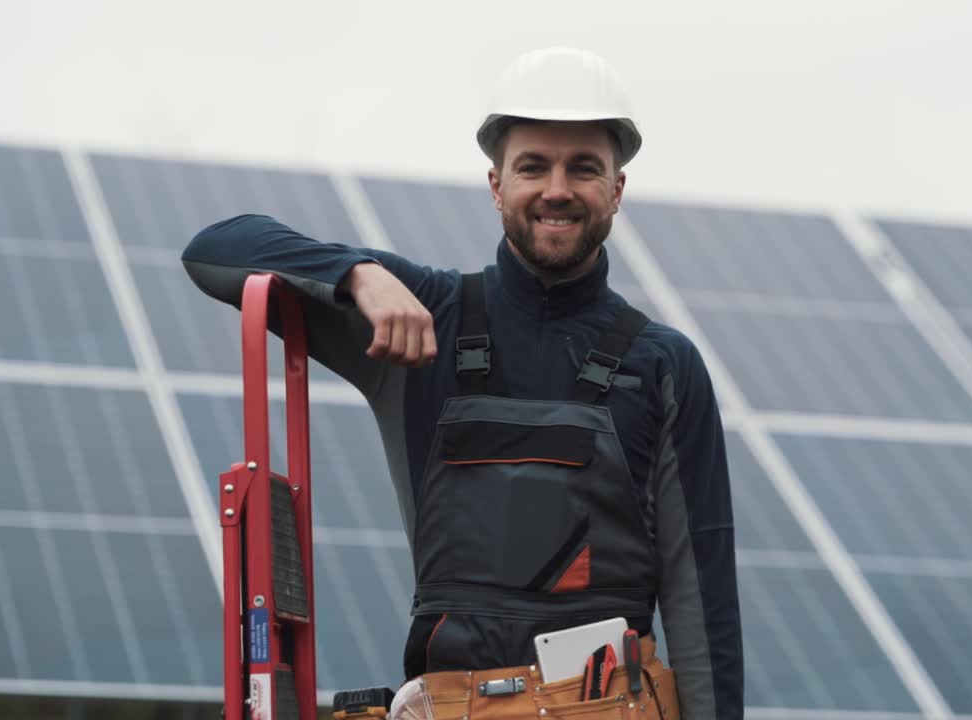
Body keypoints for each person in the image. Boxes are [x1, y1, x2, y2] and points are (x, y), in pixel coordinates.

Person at [183, 47, 741, 719]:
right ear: (496, 185)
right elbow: (214, 250)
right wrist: (357, 273)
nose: (556, 189)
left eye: (583, 168)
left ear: (616, 191)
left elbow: (699, 599)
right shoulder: (420, 316)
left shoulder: (663, 365)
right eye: (533, 166)